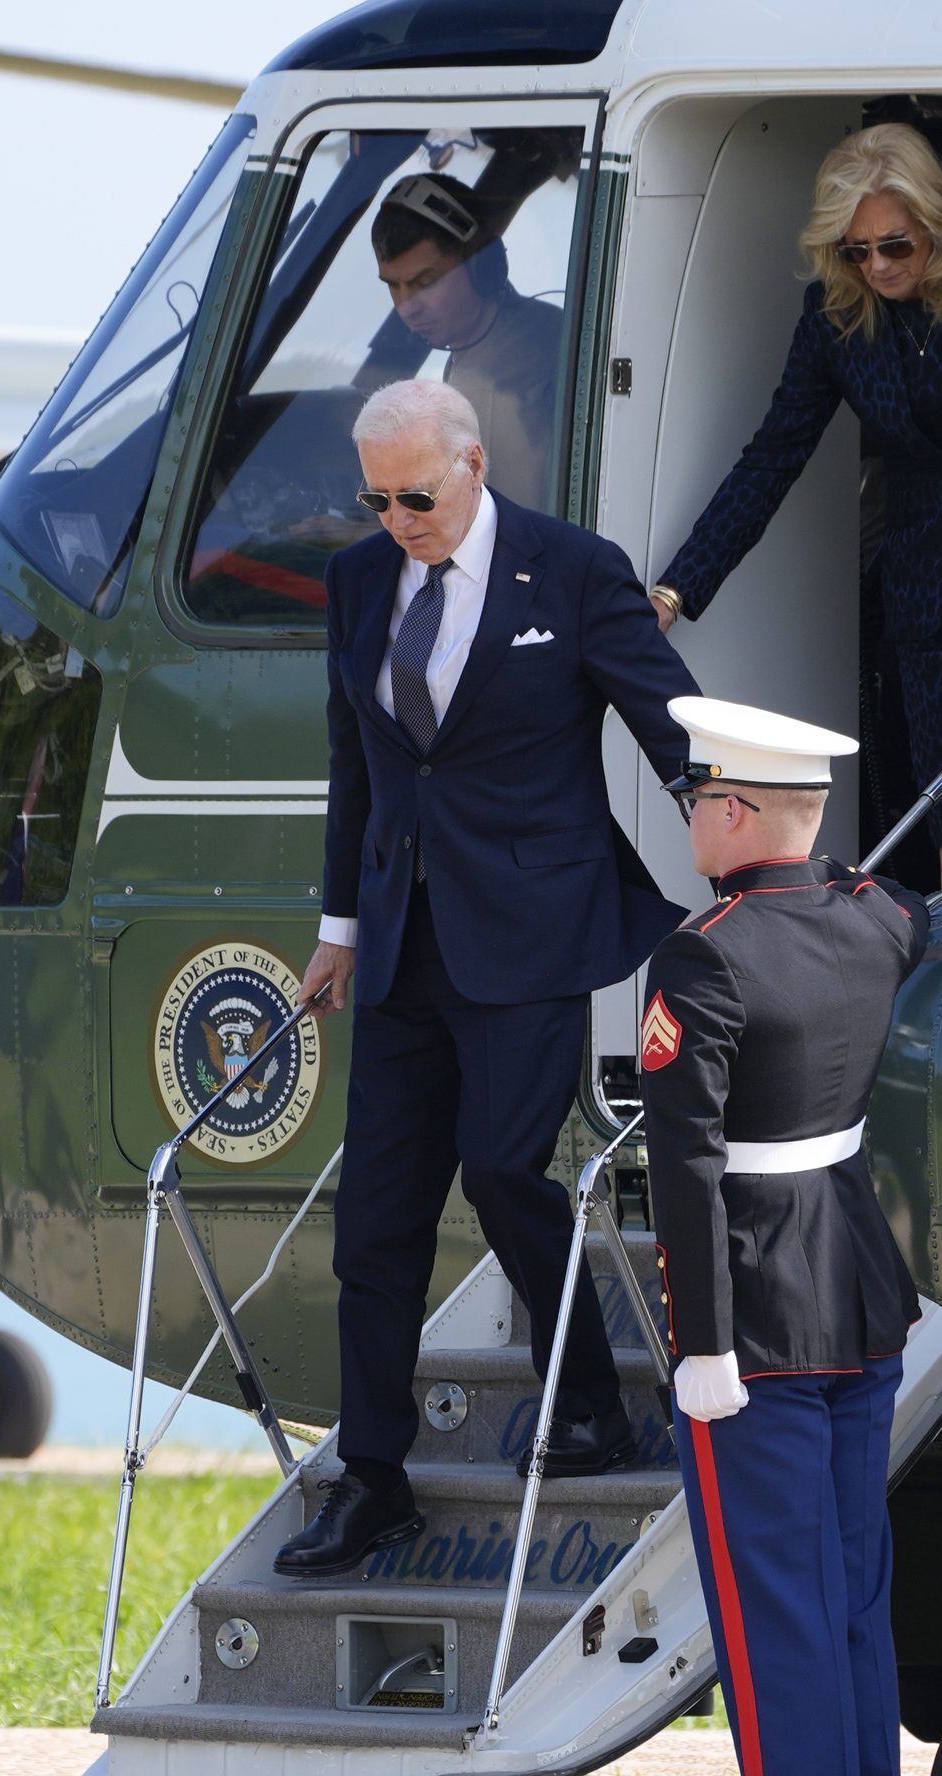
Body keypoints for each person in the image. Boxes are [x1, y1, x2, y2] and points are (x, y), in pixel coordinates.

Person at [276, 377, 700, 1577]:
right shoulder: (360, 580)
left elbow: (669, 724)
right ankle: (371, 1477)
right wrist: (340, 926)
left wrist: (751, 854)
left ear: (472, 465)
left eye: (415, 497)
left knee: (505, 1166)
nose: (397, 520)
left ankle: (589, 1403)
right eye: (377, 500)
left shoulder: (572, 570)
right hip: (401, 939)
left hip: (530, 926)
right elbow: (357, 767)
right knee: (376, 1218)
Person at [638, 697, 928, 1776]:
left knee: (774, 1625)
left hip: (754, 1315)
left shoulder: (703, 957)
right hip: (856, 1287)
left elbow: (686, 1167)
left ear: (739, 811)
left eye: (700, 799)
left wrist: (700, 1344)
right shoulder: (879, 916)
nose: (691, 819)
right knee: (851, 1609)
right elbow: (907, 916)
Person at [648, 124, 942, 888]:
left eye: (895, 245)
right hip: (929, 600)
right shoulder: (836, 319)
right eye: (856, 250)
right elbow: (773, 456)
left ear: (935, 223)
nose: (877, 265)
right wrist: (675, 589)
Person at [363, 173, 570, 510]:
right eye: (393, 286)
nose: (406, 307)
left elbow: (502, 524)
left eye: (426, 283)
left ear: (483, 267)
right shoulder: (538, 324)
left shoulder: (489, 389)